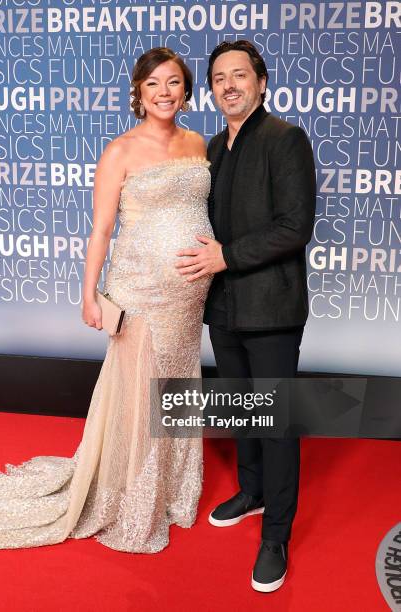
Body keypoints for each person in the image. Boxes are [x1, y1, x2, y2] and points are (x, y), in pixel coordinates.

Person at [0, 47, 214, 553]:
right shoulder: (120, 151)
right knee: (140, 388)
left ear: (187, 91)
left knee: (176, 382)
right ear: (138, 95)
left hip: (187, 298)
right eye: (153, 85)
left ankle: (171, 489)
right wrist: (88, 295)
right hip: (139, 290)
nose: (164, 92)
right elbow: (101, 230)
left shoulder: (199, 143)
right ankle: (133, 497)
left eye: (173, 83)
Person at [176, 41, 316, 591]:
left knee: (277, 423)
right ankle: (253, 492)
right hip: (224, 305)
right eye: (218, 78)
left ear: (261, 82)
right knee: (241, 410)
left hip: (273, 306)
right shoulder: (212, 147)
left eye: (239, 75)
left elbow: (294, 226)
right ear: (211, 89)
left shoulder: (286, 140)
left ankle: (277, 534)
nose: (228, 85)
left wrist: (224, 256)